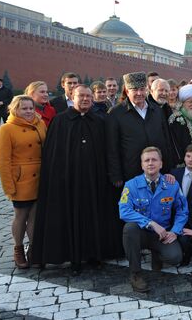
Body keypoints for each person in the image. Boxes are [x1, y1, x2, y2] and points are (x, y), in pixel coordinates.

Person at [32, 85, 124, 274]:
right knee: (70, 218)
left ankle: (95, 255)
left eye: (89, 96)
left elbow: (107, 151)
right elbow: (53, 155)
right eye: (81, 96)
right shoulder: (60, 121)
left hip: (94, 182)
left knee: (94, 218)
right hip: (68, 183)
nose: (85, 99)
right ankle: (73, 258)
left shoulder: (99, 121)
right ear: (72, 97)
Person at [120, 146, 188, 292]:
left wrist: (175, 231)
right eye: (147, 160)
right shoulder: (131, 185)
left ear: (161, 164)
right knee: (129, 228)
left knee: (175, 257)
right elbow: (124, 211)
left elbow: (182, 211)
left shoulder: (171, 184)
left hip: (162, 234)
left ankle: (157, 254)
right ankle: (135, 274)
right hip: (142, 233)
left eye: (154, 160)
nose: (150, 163)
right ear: (142, 165)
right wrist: (150, 223)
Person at [0, 95, 47, 268]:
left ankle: (34, 249)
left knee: (35, 216)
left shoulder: (40, 124)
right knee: (21, 216)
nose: (28, 111)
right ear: (14, 109)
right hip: (21, 179)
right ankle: (18, 248)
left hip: (40, 176)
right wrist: (9, 186)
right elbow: (3, 161)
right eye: (24, 108)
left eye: (31, 108)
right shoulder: (7, 129)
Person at [106, 72, 174, 188]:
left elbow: (166, 140)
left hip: (157, 172)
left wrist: (168, 168)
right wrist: (116, 175)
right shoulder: (116, 113)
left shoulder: (156, 110)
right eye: (135, 90)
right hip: (131, 173)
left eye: (142, 89)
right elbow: (112, 147)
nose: (139, 93)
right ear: (127, 91)